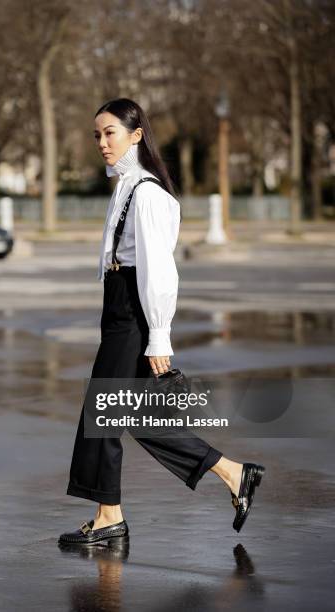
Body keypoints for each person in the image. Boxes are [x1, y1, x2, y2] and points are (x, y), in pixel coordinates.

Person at [58, 98, 265, 548]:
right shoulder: (126, 187)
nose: (102, 143)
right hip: (119, 307)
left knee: (102, 412)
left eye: (110, 132)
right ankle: (234, 473)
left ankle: (109, 517)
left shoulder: (147, 193)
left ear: (136, 135)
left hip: (133, 310)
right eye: (97, 135)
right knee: (130, 413)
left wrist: (158, 336)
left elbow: (159, 270)